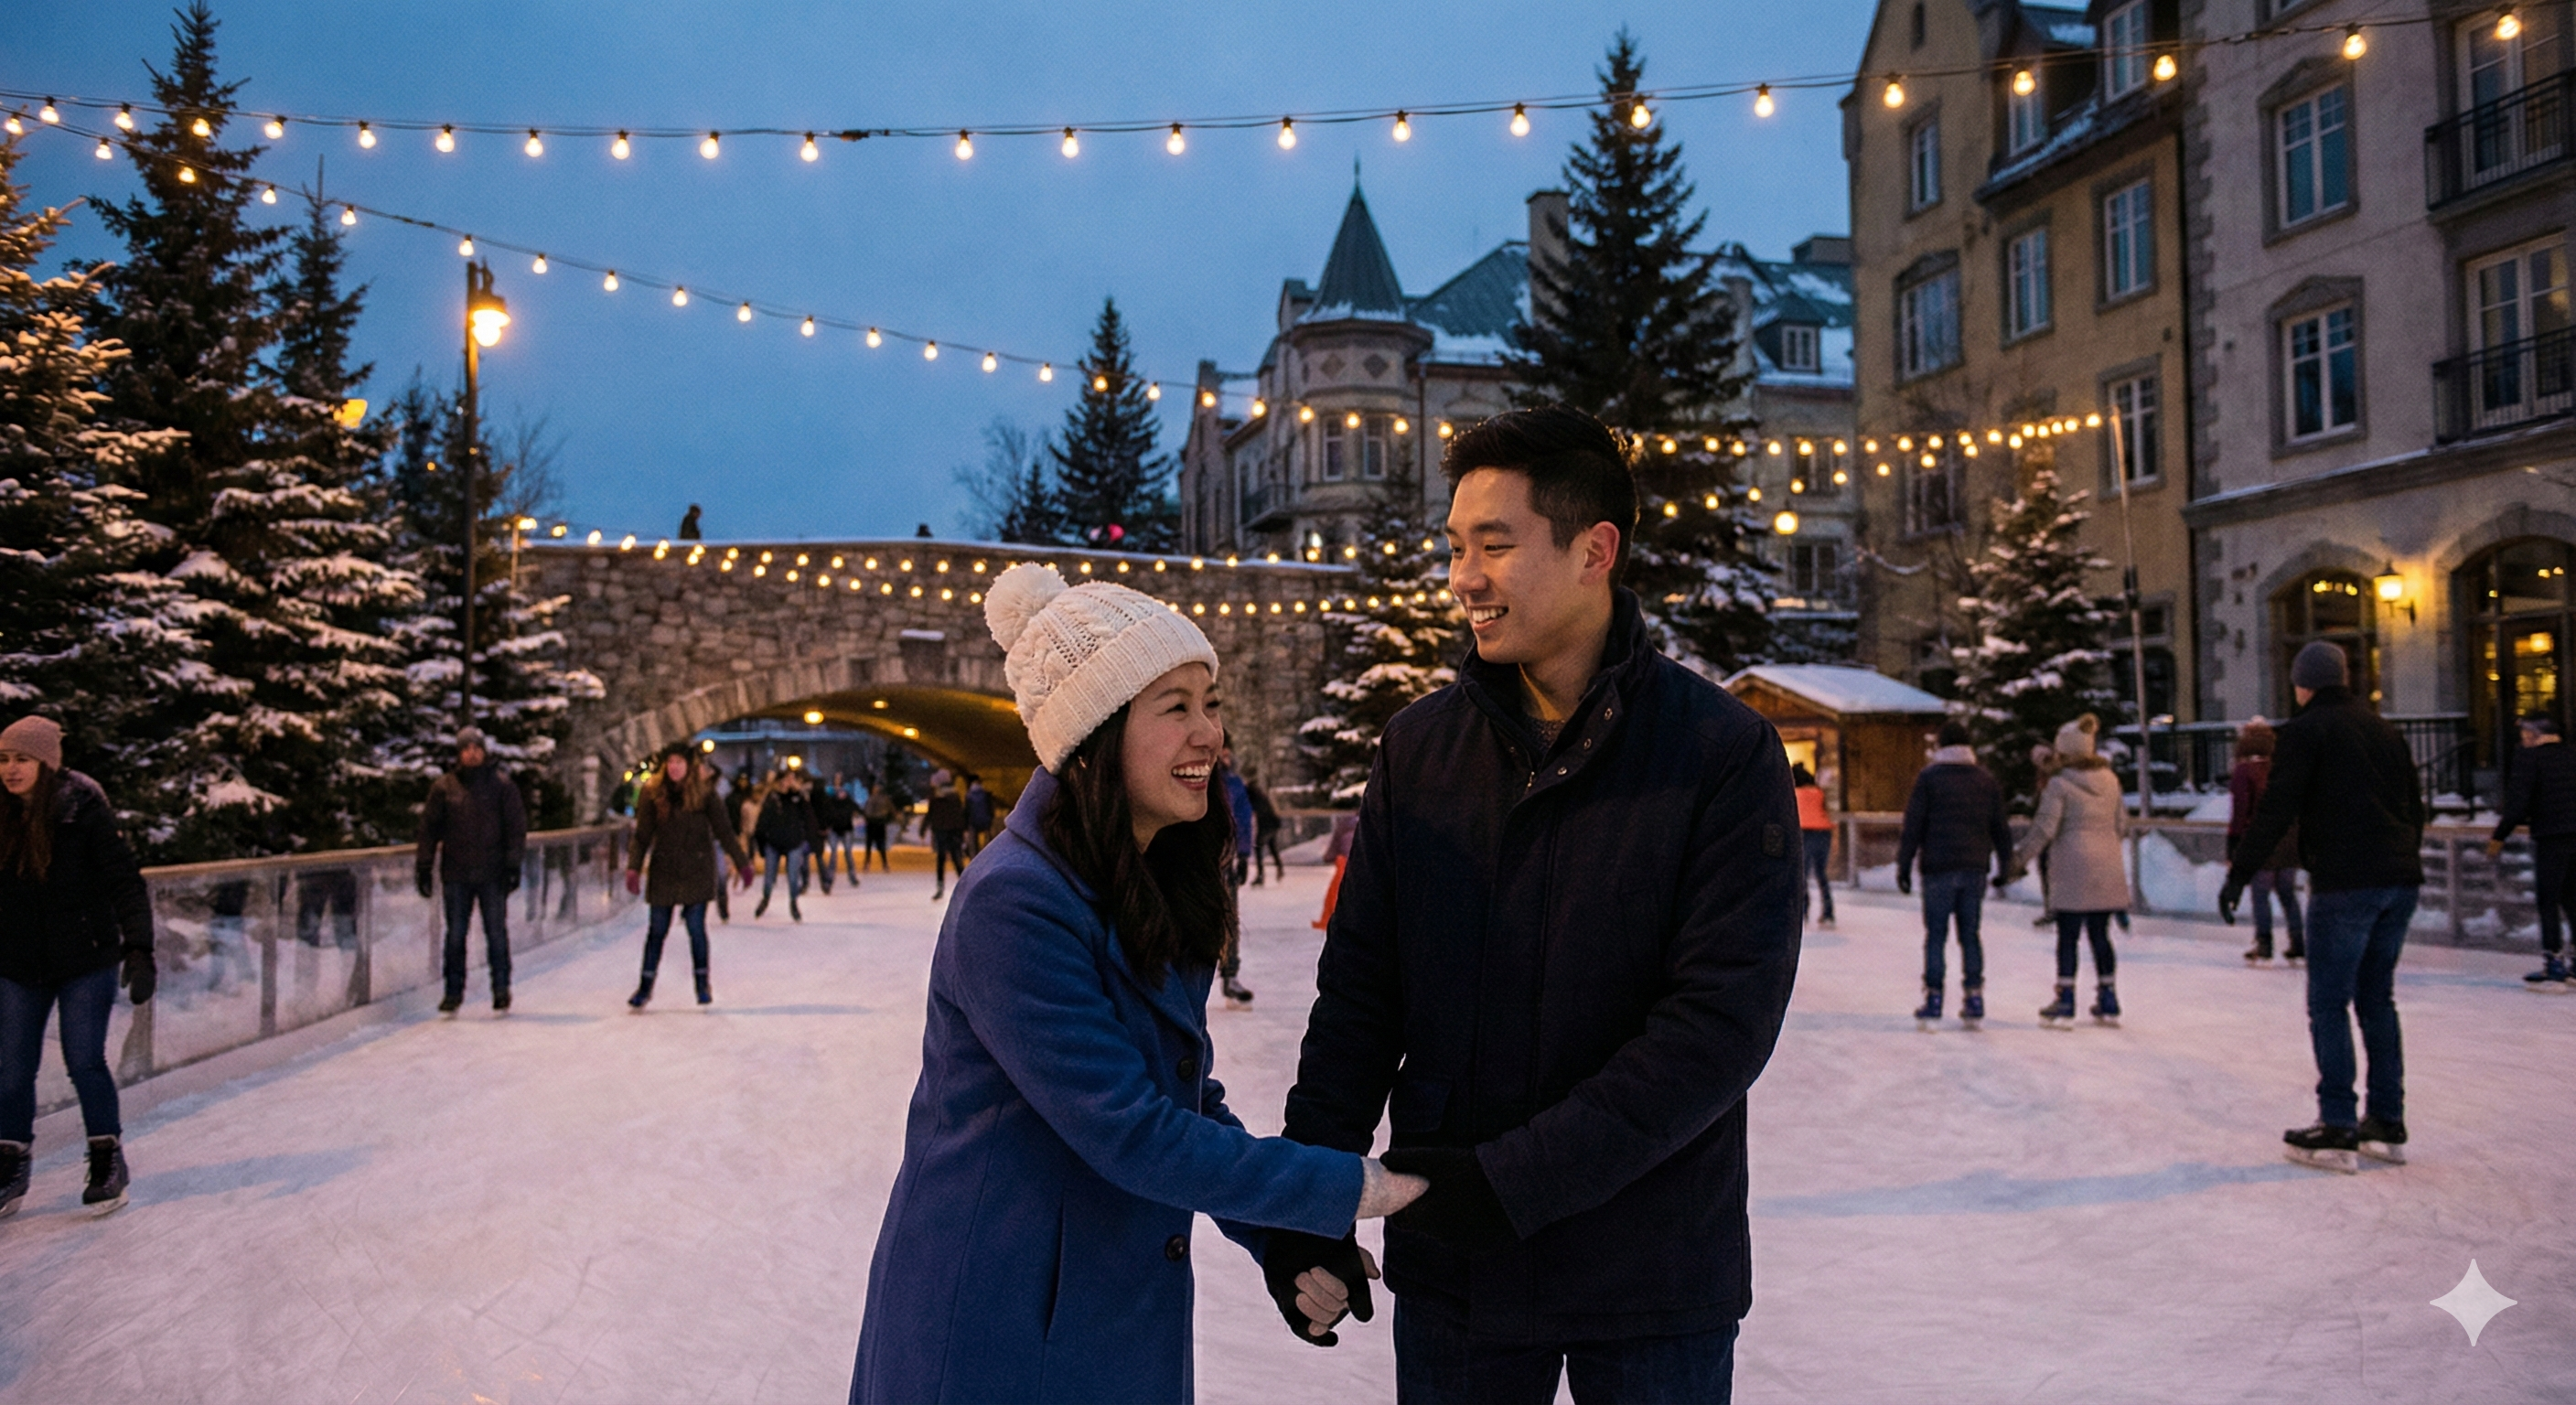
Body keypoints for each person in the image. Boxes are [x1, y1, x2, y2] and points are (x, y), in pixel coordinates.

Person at [1276, 406, 1803, 1402]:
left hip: (1651, 1282)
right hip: (1458, 1281)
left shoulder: (1718, 755)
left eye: (1495, 545)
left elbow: (1716, 1030)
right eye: (1454, 547)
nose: (1461, 577)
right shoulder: (1418, 752)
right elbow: (1359, 999)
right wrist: (1307, 1205)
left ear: (1593, 549)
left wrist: (1512, 1183)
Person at [852, 563, 1426, 1404]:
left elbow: (1181, 1098)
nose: (1210, 736)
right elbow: (1130, 1129)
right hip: (998, 1325)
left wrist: (1279, 1236)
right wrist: (1344, 1187)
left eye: (1211, 703)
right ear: (1097, 733)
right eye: (1176, 708)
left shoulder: (1149, 879)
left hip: (1104, 1310)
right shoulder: (1015, 901)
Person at [2222, 640, 2426, 1173]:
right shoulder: (2384, 729)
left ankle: (2337, 1124)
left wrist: (2240, 871)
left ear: (2303, 683)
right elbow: (2415, 805)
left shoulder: (2307, 731)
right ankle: (2386, 1119)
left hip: (2345, 884)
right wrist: (2402, 857)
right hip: (2399, 881)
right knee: (2377, 1000)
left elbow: (2277, 809)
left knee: (2328, 1002)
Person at [0, 716, 155, 1219]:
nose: (10, 769)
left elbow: (124, 880)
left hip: (85, 958)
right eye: (3, 759)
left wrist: (139, 947)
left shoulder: (82, 807)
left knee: (84, 1059)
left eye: (22, 759)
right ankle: (11, 1160)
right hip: (18, 961)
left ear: (46, 763)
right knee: (11, 1068)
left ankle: (107, 1158)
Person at [2007, 715, 2129, 1028]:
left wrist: (2018, 859)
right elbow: (2122, 825)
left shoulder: (2060, 785)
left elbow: (2044, 829)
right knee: (2101, 935)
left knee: (2068, 936)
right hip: (2107, 868)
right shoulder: (2111, 780)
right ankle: (2108, 995)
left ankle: (2065, 998)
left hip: (2073, 869)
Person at [1894, 721, 2012, 1029]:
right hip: (1974, 867)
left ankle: (1934, 998)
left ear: (1941, 746)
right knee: (1970, 934)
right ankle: (1974, 996)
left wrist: (1904, 864)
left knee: (1936, 935)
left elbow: (1914, 824)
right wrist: (2006, 863)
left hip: (1938, 868)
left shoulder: (1929, 778)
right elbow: (1999, 825)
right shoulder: (1985, 779)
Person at [623, 744, 754, 1010]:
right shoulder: (652, 794)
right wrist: (634, 867)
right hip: (664, 870)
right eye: (670, 762)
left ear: (689, 766)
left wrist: (742, 863)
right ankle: (645, 987)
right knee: (657, 930)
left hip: (696, 869)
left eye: (679, 762)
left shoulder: (705, 794)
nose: (674, 767)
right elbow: (642, 835)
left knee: (696, 929)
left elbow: (724, 831)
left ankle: (702, 984)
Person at [416, 726, 527, 1016]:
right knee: (455, 936)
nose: (472, 753)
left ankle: (501, 989)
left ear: (484, 751)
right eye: (466, 748)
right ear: (460, 752)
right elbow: (429, 829)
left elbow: (515, 829)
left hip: (492, 874)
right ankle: (453, 992)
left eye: (476, 748)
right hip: (457, 874)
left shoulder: (501, 786)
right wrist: (424, 865)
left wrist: (513, 865)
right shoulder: (444, 788)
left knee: (496, 934)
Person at [2488, 715, 2576, 988]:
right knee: (2572, 897)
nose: (2523, 740)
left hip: (2552, 836)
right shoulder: (2571, 755)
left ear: (2536, 735)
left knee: (2548, 900)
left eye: (2526, 734)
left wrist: (2499, 837)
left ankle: (2554, 962)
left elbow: (2518, 803)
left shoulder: (2530, 759)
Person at [2228, 720, 2305, 966]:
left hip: (2260, 841)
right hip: (2289, 839)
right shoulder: (2285, 766)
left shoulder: (2244, 771)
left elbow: (2240, 811)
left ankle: (2264, 945)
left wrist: (2234, 845)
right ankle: (2299, 944)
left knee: (2260, 894)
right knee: (2287, 893)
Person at [754, 769, 821, 921]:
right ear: (781, 780)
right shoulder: (773, 798)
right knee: (769, 878)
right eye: (788, 779)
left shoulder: (798, 798)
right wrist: (762, 844)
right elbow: (762, 821)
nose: (790, 782)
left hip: (794, 842)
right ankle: (765, 898)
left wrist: (812, 841)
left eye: (793, 779)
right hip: (774, 843)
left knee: (792, 877)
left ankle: (793, 903)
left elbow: (809, 817)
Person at [1791, 762, 1836, 927]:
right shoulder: (1818, 793)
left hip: (1805, 832)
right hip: (1824, 832)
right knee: (1821, 874)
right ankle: (1828, 912)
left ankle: (1803, 911)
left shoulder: (1795, 794)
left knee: (1802, 874)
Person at [811, 777, 857, 893]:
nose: (841, 793)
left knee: (847, 853)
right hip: (835, 830)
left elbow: (857, 809)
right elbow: (828, 813)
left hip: (846, 829)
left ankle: (852, 876)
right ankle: (829, 878)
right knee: (833, 855)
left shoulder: (848, 801)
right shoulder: (831, 800)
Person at [1247, 775, 1286, 885]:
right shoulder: (1262, 795)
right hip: (1273, 823)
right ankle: (1280, 868)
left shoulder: (1252, 796)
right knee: (1272, 847)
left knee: (1258, 848)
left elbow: (1255, 809)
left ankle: (1260, 876)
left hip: (1266, 825)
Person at [861, 779, 896, 873]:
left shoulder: (870, 798)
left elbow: (866, 811)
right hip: (880, 822)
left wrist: (867, 818)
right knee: (881, 845)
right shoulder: (885, 799)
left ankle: (867, 864)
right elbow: (893, 811)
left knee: (869, 845)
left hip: (871, 823)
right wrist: (888, 819)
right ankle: (884, 864)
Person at [961, 774, 994, 859]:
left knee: (973, 844)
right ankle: (987, 858)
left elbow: (967, 811)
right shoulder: (985, 794)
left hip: (973, 822)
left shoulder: (969, 795)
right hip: (985, 821)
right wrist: (990, 819)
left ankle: (974, 860)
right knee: (986, 843)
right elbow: (990, 809)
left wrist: (965, 825)